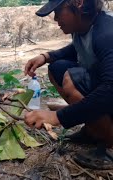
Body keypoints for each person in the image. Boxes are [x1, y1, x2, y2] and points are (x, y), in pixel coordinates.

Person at [24, 0, 113, 170]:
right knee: (57, 69)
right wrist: (46, 56)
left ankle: (109, 143)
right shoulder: (85, 28)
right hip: (105, 92)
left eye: (58, 11)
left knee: (72, 79)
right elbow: (78, 48)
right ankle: (94, 131)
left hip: (110, 92)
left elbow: (111, 90)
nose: (55, 18)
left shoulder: (107, 34)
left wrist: (57, 117)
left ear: (78, 3)